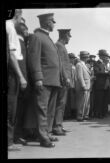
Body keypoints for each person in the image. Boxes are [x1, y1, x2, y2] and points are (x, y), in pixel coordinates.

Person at [27, 13, 61, 147]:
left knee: (50, 110)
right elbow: (34, 59)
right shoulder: (37, 37)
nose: (54, 23)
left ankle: (47, 133)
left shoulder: (46, 37)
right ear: (47, 22)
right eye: (53, 21)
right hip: (44, 80)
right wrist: (38, 78)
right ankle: (43, 137)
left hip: (53, 81)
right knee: (42, 109)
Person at [6, 9, 27, 151]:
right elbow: (13, 56)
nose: (22, 22)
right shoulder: (10, 28)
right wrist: (21, 77)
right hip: (11, 73)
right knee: (11, 108)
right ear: (17, 15)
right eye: (21, 18)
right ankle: (8, 143)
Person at [52, 29, 72, 136]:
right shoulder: (59, 46)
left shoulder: (62, 46)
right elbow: (60, 64)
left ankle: (59, 125)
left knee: (62, 104)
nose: (70, 38)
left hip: (64, 80)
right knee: (60, 104)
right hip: (62, 80)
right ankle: (56, 127)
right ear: (64, 35)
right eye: (69, 36)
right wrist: (66, 77)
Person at [13, 21, 29, 145]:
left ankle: (18, 135)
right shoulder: (18, 42)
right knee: (17, 109)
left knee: (20, 109)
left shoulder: (22, 42)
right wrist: (22, 78)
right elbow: (19, 62)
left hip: (22, 79)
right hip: (19, 80)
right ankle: (15, 136)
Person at [93, 49, 110, 118]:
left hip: (106, 84)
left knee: (105, 99)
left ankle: (104, 113)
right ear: (101, 56)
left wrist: (109, 72)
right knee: (99, 99)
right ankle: (99, 113)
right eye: (105, 56)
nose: (106, 57)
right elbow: (97, 72)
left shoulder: (105, 63)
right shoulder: (96, 63)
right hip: (100, 84)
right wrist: (106, 73)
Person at [75, 51, 91, 121]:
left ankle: (85, 115)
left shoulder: (85, 64)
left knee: (86, 102)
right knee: (82, 102)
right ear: (84, 57)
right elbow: (80, 76)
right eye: (87, 56)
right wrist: (83, 85)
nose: (88, 58)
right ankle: (80, 116)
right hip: (83, 86)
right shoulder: (79, 64)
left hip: (88, 86)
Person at [64, 53, 77, 119]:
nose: (73, 59)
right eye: (72, 58)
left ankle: (71, 114)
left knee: (72, 101)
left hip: (73, 85)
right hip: (69, 85)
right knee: (68, 101)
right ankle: (67, 114)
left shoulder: (74, 66)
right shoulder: (68, 66)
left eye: (74, 58)